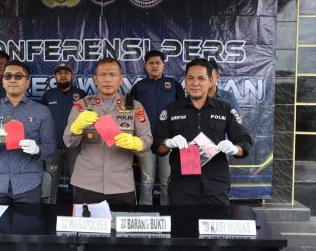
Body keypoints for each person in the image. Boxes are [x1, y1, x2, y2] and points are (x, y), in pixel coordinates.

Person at [152, 58, 252, 206]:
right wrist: (168, 143)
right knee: (183, 229)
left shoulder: (225, 108)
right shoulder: (171, 109)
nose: (195, 83)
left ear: (210, 81)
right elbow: (157, 146)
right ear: (185, 80)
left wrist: (235, 148)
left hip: (216, 186)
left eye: (201, 78)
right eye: (190, 78)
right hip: (182, 187)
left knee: (216, 227)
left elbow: (245, 141)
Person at [63, 58, 153, 205]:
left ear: (121, 79)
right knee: (85, 228)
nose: (107, 79)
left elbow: (147, 140)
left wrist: (137, 143)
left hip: (121, 185)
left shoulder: (135, 107)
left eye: (112, 74)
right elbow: (68, 143)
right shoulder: (81, 106)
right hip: (86, 183)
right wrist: (75, 128)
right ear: (95, 79)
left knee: (121, 228)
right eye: (103, 75)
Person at [0, 60, 56, 204]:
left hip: (28, 184)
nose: (12, 80)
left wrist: (37, 149)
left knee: (26, 226)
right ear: (2, 82)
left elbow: (50, 147)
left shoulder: (42, 111)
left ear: (27, 82)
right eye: (8, 76)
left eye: (18, 76)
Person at [130, 50, 184, 205]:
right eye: (150, 63)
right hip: (145, 139)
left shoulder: (174, 85)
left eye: (157, 63)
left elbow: (183, 112)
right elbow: (129, 112)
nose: (154, 66)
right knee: (147, 180)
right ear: (144, 66)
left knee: (167, 180)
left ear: (163, 65)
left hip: (167, 140)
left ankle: (167, 213)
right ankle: (144, 215)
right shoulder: (138, 87)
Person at [40, 63, 87, 203]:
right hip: (53, 147)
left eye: (66, 72)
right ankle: (49, 210)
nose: (62, 76)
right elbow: (40, 119)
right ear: (55, 77)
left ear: (72, 76)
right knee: (51, 179)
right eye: (59, 73)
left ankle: (78, 211)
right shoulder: (48, 95)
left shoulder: (82, 95)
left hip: (75, 146)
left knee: (78, 181)